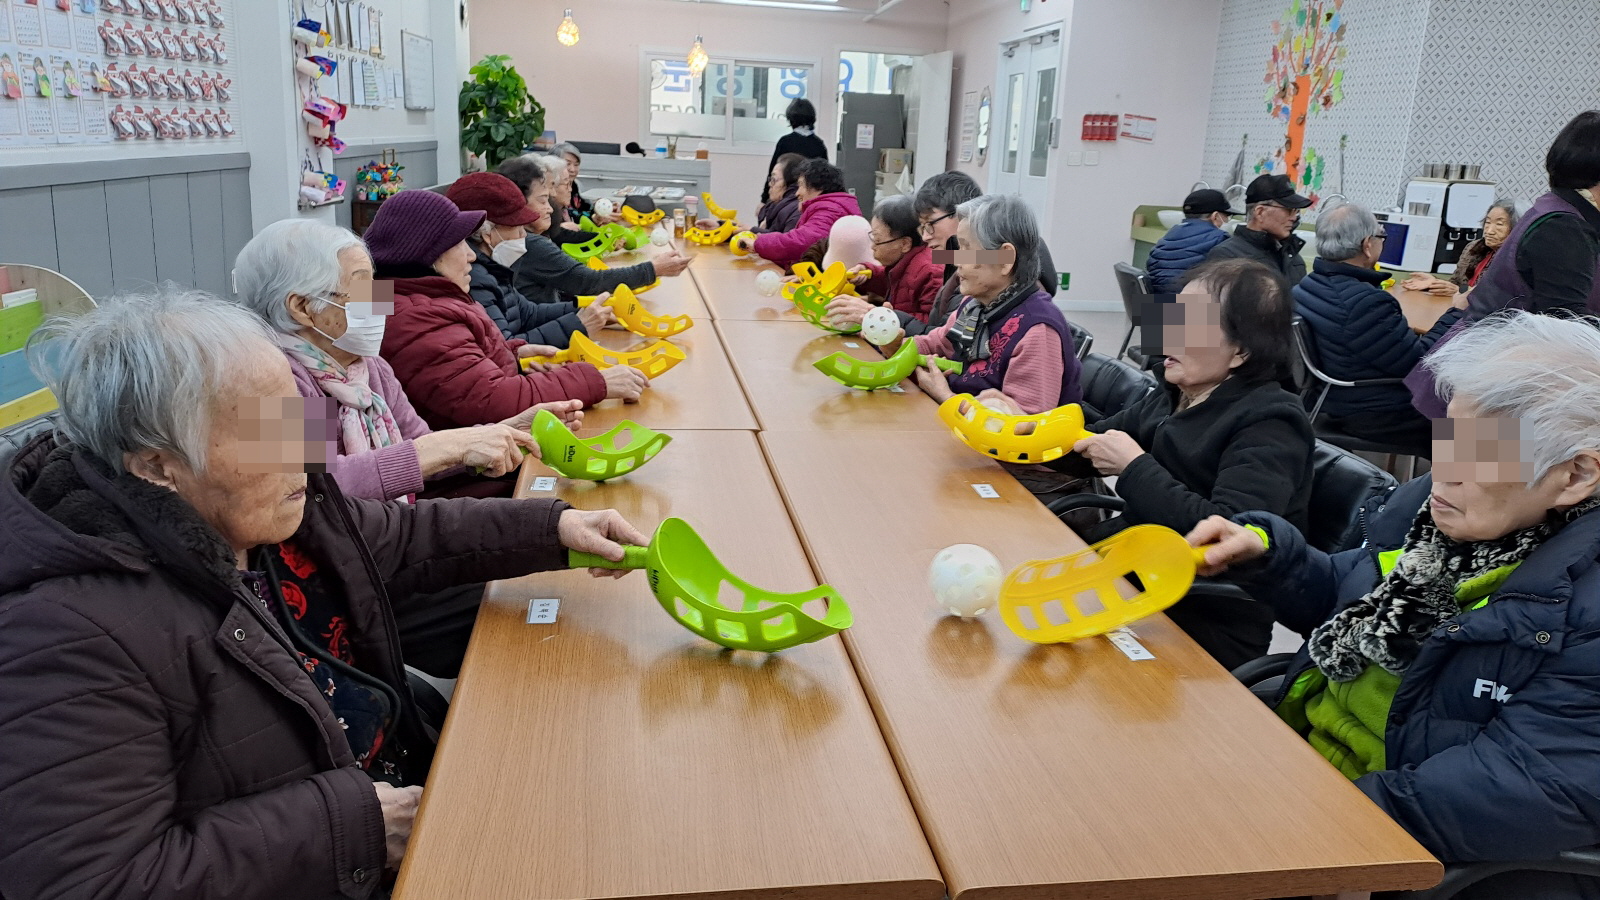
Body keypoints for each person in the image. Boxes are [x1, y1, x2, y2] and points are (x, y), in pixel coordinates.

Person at [0, 288, 649, 898]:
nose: (306, 451)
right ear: (155, 466)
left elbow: (403, 536)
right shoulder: (66, 634)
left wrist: (553, 527)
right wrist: (351, 826)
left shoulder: (262, 509)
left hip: (397, 786)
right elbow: (89, 881)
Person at [1191, 312, 1600, 898]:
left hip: (1388, 845)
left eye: (1480, 452)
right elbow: (1348, 596)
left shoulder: (1583, 608)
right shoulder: (1435, 516)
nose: (1443, 471)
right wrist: (1270, 555)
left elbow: (1528, 787)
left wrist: (1302, 813)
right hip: (1306, 773)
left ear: (1576, 475)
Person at [989, 259, 1313, 667]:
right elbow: (1090, 448)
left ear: (1241, 351)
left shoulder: (1272, 422)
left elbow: (1224, 535)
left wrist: (1132, 468)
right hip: (1129, 573)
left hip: (1197, 614)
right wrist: (1026, 424)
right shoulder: (1177, 392)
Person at [231, 218, 583, 505]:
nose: (381, 300)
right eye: (363, 286)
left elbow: (422, 446)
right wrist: (444, 448)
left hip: (392, 529)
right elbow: (307, 490)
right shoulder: (268, 379)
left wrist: (503, 432)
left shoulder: (367, 366)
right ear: (303, 308)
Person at [362, 190, 647, 428]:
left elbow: (458, 371)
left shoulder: (406, 299)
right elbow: (491, 400)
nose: (471, 255)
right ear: (427, 254)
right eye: (459, 244)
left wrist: (510, 354)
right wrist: (594, 381)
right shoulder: (416, 317)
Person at [1408, 111, 1600, 419]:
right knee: (1486, 456)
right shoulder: (1563, 226)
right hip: (1493, 382)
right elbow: (1565, 323)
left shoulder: (1557, 209)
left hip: (1494, 370)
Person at [886, 194, 1080, 416]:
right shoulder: (975, 305)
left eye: (966, 249)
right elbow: (935, 344)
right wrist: (895, 346)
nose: (956, 261)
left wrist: (946, 397)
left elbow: (1024, 426)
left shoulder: (1037, 331)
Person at [1293, 202, 1461, 456]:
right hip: (1374, 411)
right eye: (1381, 235)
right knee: (1490, 432)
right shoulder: (1364, 302)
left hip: (1332, 398)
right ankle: (1485, 478)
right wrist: (1456, 313)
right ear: (1367, 245)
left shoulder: (1307, 286)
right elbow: (1420, 364)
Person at [823, 172, 1057, 335]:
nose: (925, 237)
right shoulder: (953, 258)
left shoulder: (989, 269)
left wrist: (879, 317)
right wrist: (872, 284)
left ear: (962, 213)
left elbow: (948, 342)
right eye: (922, 227)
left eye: (931, 224)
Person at [493, 154, 689, 309]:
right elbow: (588, 281)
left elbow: (562, 291)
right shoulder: (530, 245)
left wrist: (582, 311)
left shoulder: (527, 240)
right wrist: (653, 269)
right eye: (543, 199)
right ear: (518, 203)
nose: (550, 208)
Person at [447, 172, 615, 348]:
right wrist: (578, 325)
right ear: (487, 234)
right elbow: (506, 349)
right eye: (518, 228)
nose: (524, 236)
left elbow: (529, 313)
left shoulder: (493, 267)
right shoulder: (473, 278)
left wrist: (588, 308)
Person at [750, 158, 862, 270]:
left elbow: (801, 242)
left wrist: (758, 243)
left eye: (801, 185)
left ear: (819, 188)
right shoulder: (831, 207)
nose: (797, 193)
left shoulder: (830, 210)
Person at [1206, 173, 1311, 285]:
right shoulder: (1227, 256)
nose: (1294, 218)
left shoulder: (1292, 257)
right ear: (1260, 212)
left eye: (1296, 211)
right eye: (1289, 210)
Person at [852, 194, 942, 323]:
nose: (872, 246)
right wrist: (868, 274)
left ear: (904, 244)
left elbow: (931, 322)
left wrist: (881, 316)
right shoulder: (906, 261)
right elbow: (891, 281)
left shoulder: (931, 273)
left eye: (877, 240)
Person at [1401, 200, 1519, 297]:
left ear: (1517, 228)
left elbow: (1497, 296)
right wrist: (1434, 283)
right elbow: (1455, 283)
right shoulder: (1473, 248)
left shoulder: (1515, 259)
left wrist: (1460, 291)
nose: (1489, 231)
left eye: (1499, 224)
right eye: (1488, 222)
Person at [1146, 188, 1238, 294]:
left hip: (1155, 301)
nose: (1226, 220)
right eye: (1226, 216)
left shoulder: (1169, 234)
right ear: (1215, 216)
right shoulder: (1220, 238)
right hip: (1188, 302)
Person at [761, 98, 827, 205]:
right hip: (810, 198)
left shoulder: (785, 142)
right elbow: (825, 176)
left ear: (791, 119)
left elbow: (773, 173)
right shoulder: (819, 144)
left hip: (785, 197)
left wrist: (764, 200)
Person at [755, 152, 805, 233]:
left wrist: (752, 230)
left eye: (774, 179)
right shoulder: (774, 206)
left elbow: (787, 239)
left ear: (790, 183)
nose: (770, 184)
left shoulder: (797, 209)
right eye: (771, 179)